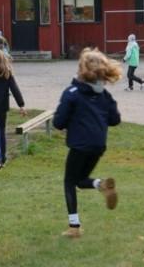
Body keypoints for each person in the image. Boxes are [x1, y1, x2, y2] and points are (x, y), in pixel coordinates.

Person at [52, 48, 122, 238]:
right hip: (98, 145)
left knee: (68, 182)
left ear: (82, 69)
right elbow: (115, 120)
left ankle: (74, 227)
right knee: (80, 181)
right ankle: (102, 184)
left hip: (79, 144)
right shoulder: (105, 96)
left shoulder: (72, 92)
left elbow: (58, 122)